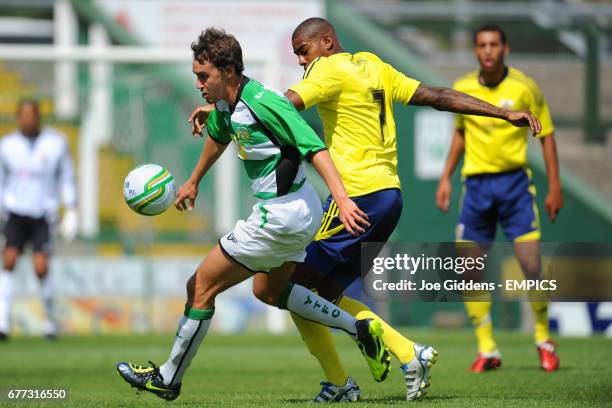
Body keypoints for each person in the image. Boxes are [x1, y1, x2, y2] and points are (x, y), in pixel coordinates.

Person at [189, 18, 542, 402]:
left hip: (354, 199)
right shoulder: (375, 66)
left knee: (282, 287)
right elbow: (438, 96)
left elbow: (278, 108)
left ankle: (374, 368)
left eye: (303, 53)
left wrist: (227, 109)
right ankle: (391, 360)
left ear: (326, 42)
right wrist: (502, 112)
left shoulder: (328, 70)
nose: (302, 64)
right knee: (321, 293)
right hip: (389, 197)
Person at [116, 27, 392, 402]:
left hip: (280, 215)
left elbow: (314, 147)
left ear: (228, 71)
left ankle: (168, 378)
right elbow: (219, 134)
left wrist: (341, 199)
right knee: (271, 290)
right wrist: (194, 180)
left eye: (203, 76)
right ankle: (359, 332)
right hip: (297, 211)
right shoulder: (228, 103)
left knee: (199, 288)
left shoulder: (265, 101)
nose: (198, 84)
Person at [435, 24, 563, 373]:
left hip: (515, 186)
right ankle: (487, 348)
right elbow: (460, 134)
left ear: (505, 49)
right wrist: (446, 176)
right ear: (476, 51)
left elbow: (547, 135)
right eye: (481, 45)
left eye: (494, 44)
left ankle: (542, 338)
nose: (488, 50)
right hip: (476, 188)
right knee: (469, 270)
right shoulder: (463, 88)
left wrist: (554, 186)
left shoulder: (524, 87)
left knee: (531, 265)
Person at [0, 98, 78, 341]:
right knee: (9, 260)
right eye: (23, 115)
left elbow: (66, 176)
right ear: (17, 117)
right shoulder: (7, 145)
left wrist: (72, 208)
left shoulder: (55, 144)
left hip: (42, 214)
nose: (28, 119)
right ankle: (2, 322)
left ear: (38, 117)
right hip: (15, 213)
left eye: (31, 115)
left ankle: (50, 322)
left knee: (41, 267)